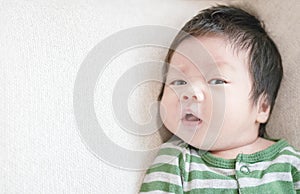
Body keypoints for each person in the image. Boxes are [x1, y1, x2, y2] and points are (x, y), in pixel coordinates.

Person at [139, 5, 300, 193]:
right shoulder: (175, 161)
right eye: (178, 81)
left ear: (262, 107)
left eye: (216, 80)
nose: (190, 92)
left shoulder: (289, 163)